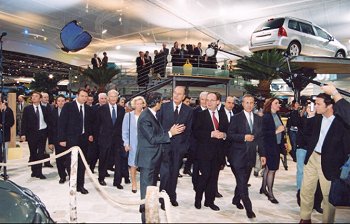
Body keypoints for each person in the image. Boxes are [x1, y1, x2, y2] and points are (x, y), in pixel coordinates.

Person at [299, 93, 350, 223]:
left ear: (329, 106)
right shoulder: (317, 118)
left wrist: (339, 162)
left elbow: (346, 146)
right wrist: (309, 118)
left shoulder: (341, 123)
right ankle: (305, 218)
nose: (315, 106)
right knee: (306, 190)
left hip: (329, 163)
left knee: (328, 196)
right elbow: (306, 135)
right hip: (312, 158)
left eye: (318, 104)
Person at [135, 91, 185, 223]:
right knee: (146, 193)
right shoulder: (145, 117)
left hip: (153, 158)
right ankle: (145, 220)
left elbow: (156, 133)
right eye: (161, 101)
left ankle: (149, 217)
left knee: (151, 191)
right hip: (148, 160)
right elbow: (152, 138)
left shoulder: (152, 114)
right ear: (157, 103)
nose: (162, 103)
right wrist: (170, 133)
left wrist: (169, 131)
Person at [227, 94, 266, 218]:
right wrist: (244, 137)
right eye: (247, 102)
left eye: (251, 102)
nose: (249, 105)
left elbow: (260, 139)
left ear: (254, 104)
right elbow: (230, 135)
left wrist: (262, 154)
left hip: (250, 156)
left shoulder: (259, 119)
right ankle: (249, 209)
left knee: (243, 181)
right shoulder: (236, 118)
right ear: (242, 104)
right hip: (237, 156)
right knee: (242, 183)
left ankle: (236, 199)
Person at [157, 86, 193, 206]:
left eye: (179, 94)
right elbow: (158, 127)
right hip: (165, 146)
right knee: (165, 173)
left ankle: (172, 196)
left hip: (179, 148)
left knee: (174, 173)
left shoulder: (188, 111)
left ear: (184, 97)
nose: (176, 95)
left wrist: (185, 148)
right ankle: (162, 197)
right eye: (175, 93)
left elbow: (189, 132)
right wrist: (169, 132)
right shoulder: (163, 107)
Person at [193, 92, 228, 211]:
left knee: (214, 178)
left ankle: (210, 201)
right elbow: (195, 132)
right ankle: (198, 200)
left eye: (212, 100)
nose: (208, 102)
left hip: (218, 153)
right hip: (204, 153)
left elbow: (228, 132)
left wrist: (223, 135)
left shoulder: (223, 115)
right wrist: (210, 134)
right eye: (207, 100)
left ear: (218, 102)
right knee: (205, 176)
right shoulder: (200, 115)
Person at [58, 88, 93, 194]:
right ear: (77, 96)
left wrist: (90, 134)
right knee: (71, 162)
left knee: (82, 163)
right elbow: (62, 123)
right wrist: (62, 139)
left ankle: (80, 185)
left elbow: (89, 123)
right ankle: (73, 184)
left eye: (86, 96)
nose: (84, 98)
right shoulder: (68, 106)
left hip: (83, 139)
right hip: (70, 139)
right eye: (82, 96)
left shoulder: (88, 108)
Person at [95, 90, 125, 188]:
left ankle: (117, 182)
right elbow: (97, 125)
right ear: (108, 97)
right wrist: (98, 139)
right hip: (104, 140)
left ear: (117, 98)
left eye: (115, 96)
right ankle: (101, 178)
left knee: (118, 161)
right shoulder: (101, 109)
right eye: (111, 96)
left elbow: (122, 126)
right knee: (103, 160)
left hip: (117, 140)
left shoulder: (121, 109)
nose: (113, 98)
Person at [260, 98, 287, 204]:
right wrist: (277, 131)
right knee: (272, 170)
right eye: (276, 103)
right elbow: (263, 133)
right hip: (269, 147)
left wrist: (283, 139)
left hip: (277, 145)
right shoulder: (266, 117)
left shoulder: (277, 115)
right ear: (270, 105)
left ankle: (263, 188)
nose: (278, 104)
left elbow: (281, 130)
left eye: (278, 103)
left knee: (268, 168)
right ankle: (270, 194)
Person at [21, 91, 53, 180]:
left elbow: (49, 122)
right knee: (33, 153)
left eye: (36, 96)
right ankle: (34, 171)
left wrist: (49, 135)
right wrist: (23, 134)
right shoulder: (27, 109)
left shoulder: (45, 109)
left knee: (41, 154)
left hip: (42, 133)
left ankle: (39, 172)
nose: (33, 98)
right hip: (31, 134)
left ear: (40, 99)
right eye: (33, 96)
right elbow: (24, 122)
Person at [122, 96, 146, 193]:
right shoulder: (128, 115)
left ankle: (144, 183)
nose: (139, 105)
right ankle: (134, 184)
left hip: (144, 143)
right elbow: (125, 131)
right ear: (134, 104)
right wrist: (126, 143)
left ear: (143, 104)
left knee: (144, 164)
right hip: (133, 143)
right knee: (133, 164)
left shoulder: (146, 115)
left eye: (141, 103)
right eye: (137, 103)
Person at [50, 95, 69, 184]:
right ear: (56, 102)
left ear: (65, 102)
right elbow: (51, 128)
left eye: (62, 101)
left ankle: (70, 173)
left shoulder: (70, 112)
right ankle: (62, 176)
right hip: (57, 140)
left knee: (68, 158)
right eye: (59, 101)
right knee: (59, 159)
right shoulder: (52, 112)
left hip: (68, 140)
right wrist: (51, 142)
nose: (61, 103)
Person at [0, 97, 15, 173]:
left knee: (4, 151)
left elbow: (12, 122)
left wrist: (3, 125)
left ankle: (4, 168)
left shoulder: (9, 111)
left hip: (5, 134)